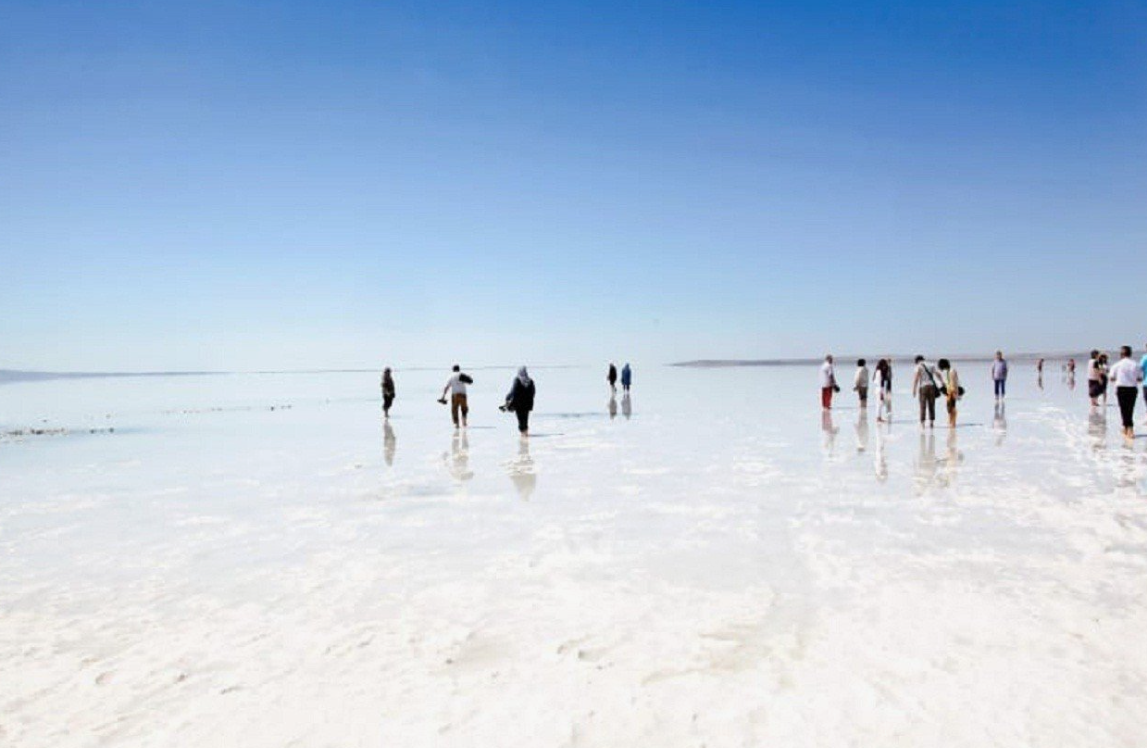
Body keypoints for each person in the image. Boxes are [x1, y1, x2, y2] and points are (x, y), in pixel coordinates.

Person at [1109, 345, 1142, 439]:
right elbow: (1140, 378)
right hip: (1132, 388)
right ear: (1130, 354)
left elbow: (1111, 378)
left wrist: (1119, 378)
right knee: (1130, 408)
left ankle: (1129, 428)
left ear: (1121, 354)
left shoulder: (1116, 365)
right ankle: (1126, 427)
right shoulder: (1135, 364)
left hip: (1121, 388)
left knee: (1123, 409)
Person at [503, 366, 536, 436]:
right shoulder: (530, 381)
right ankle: (526, 433)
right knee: (525, 419)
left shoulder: (517, 380)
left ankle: (523, 435)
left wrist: (507, 397)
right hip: (527, 404)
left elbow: (513, 391)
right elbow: (533, 392)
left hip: (519, 404)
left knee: (520, 419)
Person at [440, 364, 472, 429]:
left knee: (454, 409)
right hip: (463, 394)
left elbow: (446, 387)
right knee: (464, 408)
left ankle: (457, 424)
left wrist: (443, 396)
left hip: (455, 395)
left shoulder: (451, 376)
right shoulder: (461, 374)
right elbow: (470, 381)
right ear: (459, 369)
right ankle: (464, 421)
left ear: (453, 370)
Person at [912, 355, 940, 428]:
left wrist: (914, 389)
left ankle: (922, 423)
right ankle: (931, 422)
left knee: (922, 405)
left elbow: (916, 378)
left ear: (917, 361)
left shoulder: (918, 366)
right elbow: (938, 374)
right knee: (932, 405)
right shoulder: (931, 364)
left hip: (923, 387)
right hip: (931, 387)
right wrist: (942, 382)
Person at [937, 358, 960, 428]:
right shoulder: (948, 371)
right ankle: (951, 422)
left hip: (952, 391)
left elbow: (954, 382)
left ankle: (953, 423)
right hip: (949, 391)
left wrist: (953, 392)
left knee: (951, 407)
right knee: (949, 408)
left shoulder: (951, 371)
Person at [873, 358, 892, 423]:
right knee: (879, 404)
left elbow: (875, 381)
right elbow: (880, 382)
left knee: (880, 404)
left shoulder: (877, 371)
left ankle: (879, 417)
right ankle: (878, 418)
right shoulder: (879, 372)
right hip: (880, 389)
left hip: (879, 389)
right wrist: (881, 392)